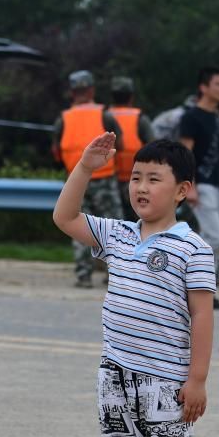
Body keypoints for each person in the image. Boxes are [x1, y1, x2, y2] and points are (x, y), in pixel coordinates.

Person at [52, 134, 215, 437]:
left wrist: (197, 379)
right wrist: (85, 166)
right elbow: (64, 217)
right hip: (115, 378)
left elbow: (202, 314)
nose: (141, 187)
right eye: (135, 178)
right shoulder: (118, 235)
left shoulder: (192, 249)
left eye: (154, 179)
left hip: (165, 382)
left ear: (181, 190)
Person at [52, 70, 124, 288]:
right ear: (92, 90)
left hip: (77, 181)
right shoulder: (105, 115)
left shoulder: (63, 118)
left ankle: (84, 276)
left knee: (78, 226)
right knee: (115, 228)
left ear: (72, 93)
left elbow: (56, 150)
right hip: (105, 179)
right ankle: (116, 275)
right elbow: (119, 145)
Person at [179, 66, 219, 310]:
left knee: (208, 238)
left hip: (218, 184)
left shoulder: (216, 118)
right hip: (200, 184)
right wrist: (189, 184)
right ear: (204, 87)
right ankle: (196, 288)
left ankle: (201, 291)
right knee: (215, 238)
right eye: (218, 84)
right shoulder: (191, 117)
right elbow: (186, 152)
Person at [107, 76, 156, 221]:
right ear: (132, 97)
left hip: (109, 179)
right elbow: (153, 147)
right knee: (138, 222)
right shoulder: (140, 118)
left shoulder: (103, 116)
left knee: (114, 224)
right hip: (136, 178)